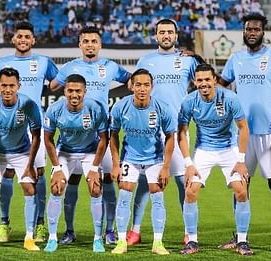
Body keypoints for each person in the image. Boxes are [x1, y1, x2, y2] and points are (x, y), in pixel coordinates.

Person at [217, 13, 271, 253]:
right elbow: (220, 84)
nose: (252, 33)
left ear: (263, 31)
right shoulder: (236, 59)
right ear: (243, 31)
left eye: (256, 29)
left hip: (270, 134)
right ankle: (241, 237)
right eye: (248, 29)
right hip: (242, 134)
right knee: (241, 184)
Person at [49, 26, 131, 245]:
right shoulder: (71, 67)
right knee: (71, 181)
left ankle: (110, 230)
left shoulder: (110, 66)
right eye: (85, 41)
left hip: (101, 134)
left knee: (105, 182)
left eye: (94, 41)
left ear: (100, 44)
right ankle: (69, 230)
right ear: (80, 45)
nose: (90, 45)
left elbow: (131, 81)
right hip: (74, 134)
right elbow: (53, 85)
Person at [128, 18, 201, 245]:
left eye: (170, 32)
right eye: (162, 32)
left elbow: (207, 80)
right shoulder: (146, 60)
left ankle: (190, 232)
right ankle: (135, 230)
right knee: (143, 182)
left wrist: (197, 57)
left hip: (178, 129)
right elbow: (134, 87)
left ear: (176, 35)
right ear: (156, 36)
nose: (166, 35)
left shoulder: (186, 61)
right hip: (149, 129)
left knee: (182, 181)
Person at [0, 21, 58, 243]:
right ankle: (4, 223)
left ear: (33, 40)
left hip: (34, 127)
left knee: (37, 176)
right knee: (6, 174)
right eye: (19, 36)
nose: (23, 40)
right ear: (13, 39)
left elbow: (58, 83)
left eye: (27, 36)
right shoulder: (2, 62)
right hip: (7, 127)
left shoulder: (43, 62)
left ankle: (39, 225)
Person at [177, 63, 253, 256]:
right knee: (191, 191)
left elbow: (243, 128)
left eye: (207, 79)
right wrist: (188, 163)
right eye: (199, 80)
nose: (203, 84)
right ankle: (192, 241)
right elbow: (182, 133)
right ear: (195, 82)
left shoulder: (230, 98)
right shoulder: (189, 101)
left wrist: (241, 159)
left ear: (215, 80)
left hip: (229, 149)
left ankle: (242, 241)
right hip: (204, 150)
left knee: (241, 190)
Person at [109, 69, 175, 255]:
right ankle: (121, 241)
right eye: (138, 84)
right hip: (130, 157)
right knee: (124, 196)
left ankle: (158, 243)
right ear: (131, 86)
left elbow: (171, 137)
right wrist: (116, 164)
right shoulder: (120, 107)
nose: (142, 89)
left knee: (158, 197)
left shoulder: (162, 107)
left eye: (146, 85)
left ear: (151, 87)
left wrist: (166, 166)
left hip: (155, 158)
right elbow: (113, 135)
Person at [0, 67, 42, 251]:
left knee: (29, 188)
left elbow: (36, 134)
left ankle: (29, 237)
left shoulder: (28, 104)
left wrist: (30, 164)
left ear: (18, 86)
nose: (7, 89)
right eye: (3, 85)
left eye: (11, 86)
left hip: (22, 152)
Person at [42, 74, 109, 253]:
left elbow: (104, 139)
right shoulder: (54, 109)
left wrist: (95, 168)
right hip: (65, 152)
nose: (74, 95)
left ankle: (97, 239)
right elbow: (47, 139)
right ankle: (53, 237)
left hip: (90, 151)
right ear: (64, 91)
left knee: (95, 188)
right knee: (57, 187)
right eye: (70, 90)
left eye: (78, 91)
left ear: (84, 92)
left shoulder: (95, 108)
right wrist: (56, 168)